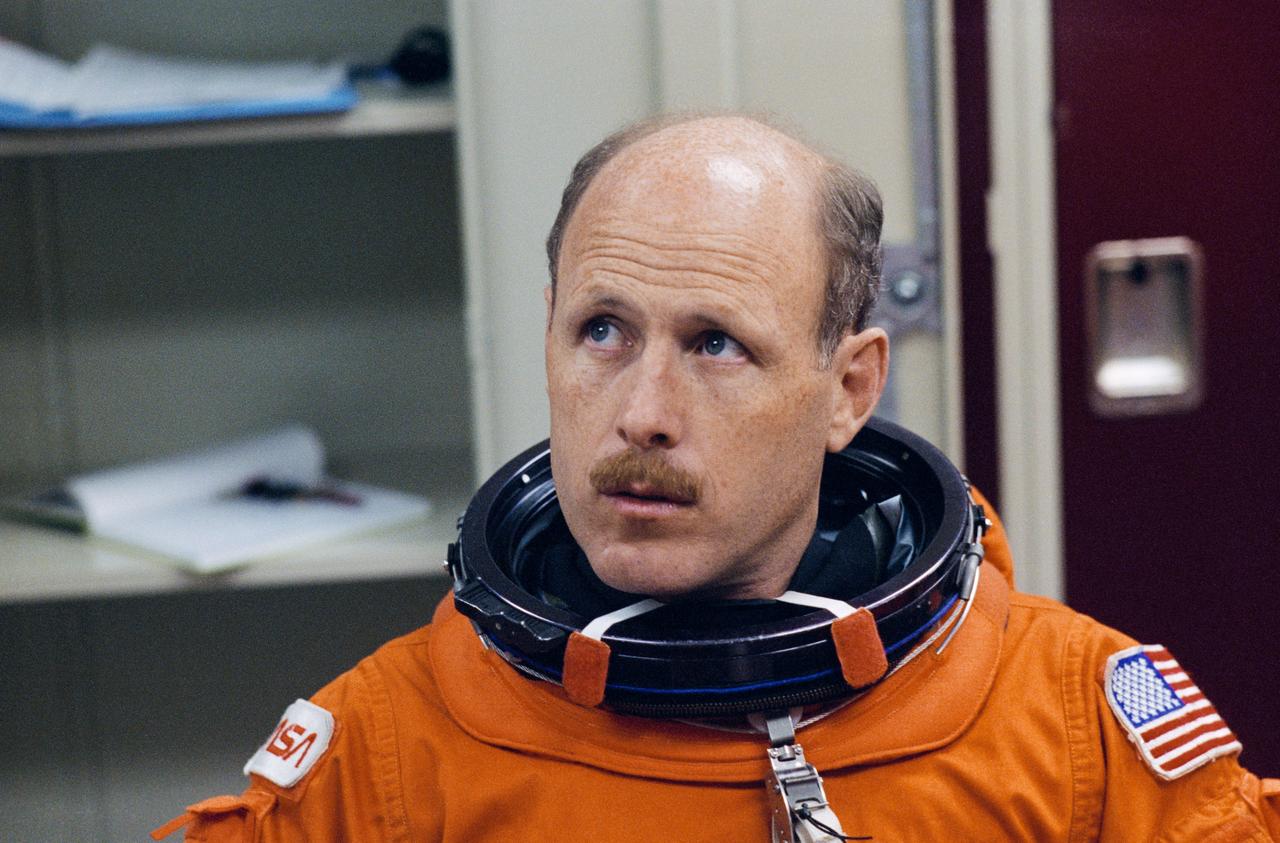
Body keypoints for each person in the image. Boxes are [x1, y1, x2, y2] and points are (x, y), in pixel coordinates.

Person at [154, 114, 1280, 842]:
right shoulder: (382, 758)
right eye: (602, 330)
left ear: (848, 389)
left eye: (717, 344)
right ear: (547, 337)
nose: (641, 412)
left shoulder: (1079, 733)